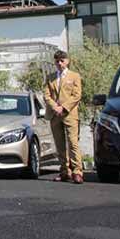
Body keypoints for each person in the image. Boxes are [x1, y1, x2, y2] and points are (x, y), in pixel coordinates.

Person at [44, 50, 84, 184]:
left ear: (67, 61)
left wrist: (64, 107)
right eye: (57, 61)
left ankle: (77, 171)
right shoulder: (50, 77)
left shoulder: (74, 76)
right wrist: (55, 107)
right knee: (59, 144)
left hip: (69, 114)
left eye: (62, 61)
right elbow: (46, 95)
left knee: (73, 143)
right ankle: (64, 171)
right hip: (55, 115)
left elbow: (77, 95)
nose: (59, 63)